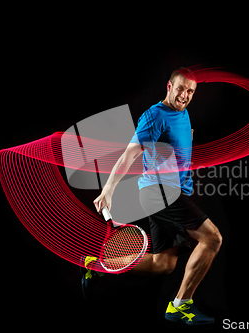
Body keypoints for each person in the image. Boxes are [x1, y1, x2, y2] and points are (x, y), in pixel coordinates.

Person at [84, 67, 221, 325]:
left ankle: (96, 265)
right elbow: (129, 155)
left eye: (190, 91)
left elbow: (180, 144)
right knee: (212, 239)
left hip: (171, 192)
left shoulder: (184, 112)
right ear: (169, 87)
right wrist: (108, 189)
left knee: (163, 263)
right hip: (160, 193)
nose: (185, 95)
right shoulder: (154, 116)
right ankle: (180, 305)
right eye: (180, 89)